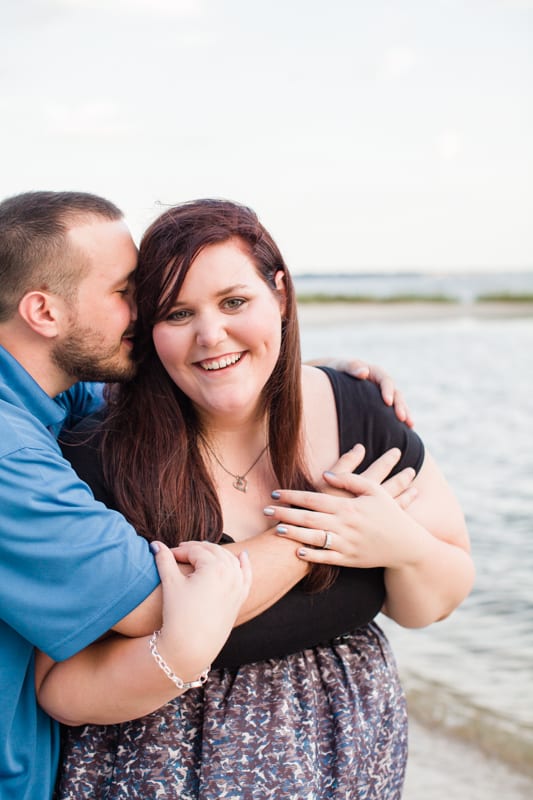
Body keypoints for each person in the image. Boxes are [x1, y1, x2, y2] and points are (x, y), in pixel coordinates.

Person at [43, 199, 474, 799]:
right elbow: (60, 689)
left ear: (281, 294)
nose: (210, 335)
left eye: (234, 302)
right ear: (147, 329)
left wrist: (399, 545)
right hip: (163, 769)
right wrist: (179, 651)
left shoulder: (360, 411)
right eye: (177, 313)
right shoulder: (97, 453)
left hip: (355, 759)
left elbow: (429, 604)